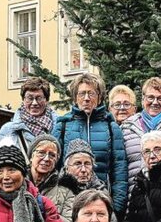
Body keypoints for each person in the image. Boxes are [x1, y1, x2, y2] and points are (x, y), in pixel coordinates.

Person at [53, 73, 128, 214]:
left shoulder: (111, 127)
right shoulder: (63, 126)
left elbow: (120, 170)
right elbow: (54, 168)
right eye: (82, 94)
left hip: (102, 201)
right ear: (75, 97)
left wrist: (116, 207)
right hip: (67, 203)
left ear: (99, 98)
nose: (86, 98)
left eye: (91, 93)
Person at [0, 77, 59, 158]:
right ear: (23, 100)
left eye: (39, 98)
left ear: (46, 100)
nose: (34, 103)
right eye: (30, 98)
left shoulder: (59, 127)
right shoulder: (8, 130)